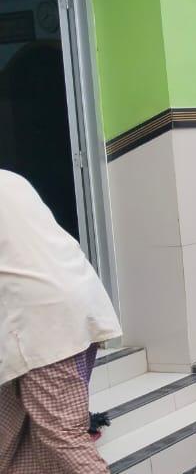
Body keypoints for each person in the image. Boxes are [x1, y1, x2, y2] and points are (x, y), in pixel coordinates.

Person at [0, 170, 121, 474]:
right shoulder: (11, 180)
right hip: (78, 305)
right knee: (22, 444)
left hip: (41, 327)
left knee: (63, 436)